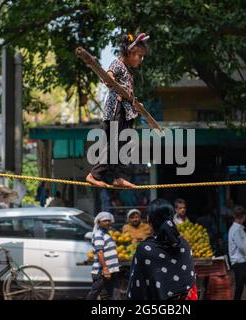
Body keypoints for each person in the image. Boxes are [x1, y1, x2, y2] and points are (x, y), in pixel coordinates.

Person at [86, 32, 149, 189]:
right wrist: (111, 80)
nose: (141, 60)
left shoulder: (127, 72)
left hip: (126, 111)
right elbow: (108, 77)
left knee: (123, 143)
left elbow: (128, 93)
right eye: (139, 56)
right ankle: (94, 174)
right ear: (129, 52)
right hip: (116, 110)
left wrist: (136, 102)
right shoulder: (117, 64)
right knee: (113, 144)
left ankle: (112, 176)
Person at [127, 199, 197, 300]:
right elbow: (191, 285)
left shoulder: (145, 249)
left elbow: (137, 289)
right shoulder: (184, 244)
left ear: (149, 220)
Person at [86, 212, 121, 300]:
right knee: (94, 293)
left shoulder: (106, 234)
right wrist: (105, 269)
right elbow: (100, 253)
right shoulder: (98, 235)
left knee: (114, 294)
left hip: (111, 270)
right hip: (102, 271)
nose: (107, 222)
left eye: (109, 220)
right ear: (98, 222)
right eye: (104, 221)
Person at [228, 206, 246, 300]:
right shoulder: (236, 229)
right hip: (240, 261)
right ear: (244, 217)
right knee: (242, 286)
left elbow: (245, 243)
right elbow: (241, 246)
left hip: (241, 260)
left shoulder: (237, 229)